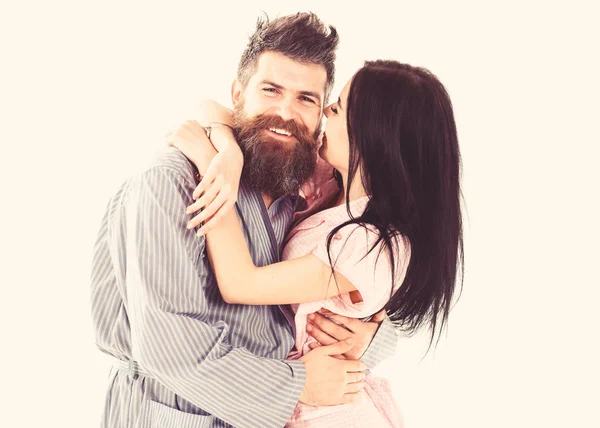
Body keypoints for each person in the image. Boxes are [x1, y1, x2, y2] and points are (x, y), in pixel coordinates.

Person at [91, 13, 398, 428]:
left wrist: (370, 339)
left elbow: (370, 286)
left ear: (322, 116)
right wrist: (299, 385)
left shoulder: (314, 189)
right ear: (238, 94)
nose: (285, 113)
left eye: (306, 99)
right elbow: (168, 347)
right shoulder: (169, 183)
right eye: (270, 90)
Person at [170, 59, 464, 427]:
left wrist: (210, 165)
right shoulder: (332, 186)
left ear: (372, 138)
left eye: (337, 108)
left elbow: (239, 283)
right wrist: (228, 151)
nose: (325, 112)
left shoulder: (374, 244)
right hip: (302, 400)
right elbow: (213, 109)